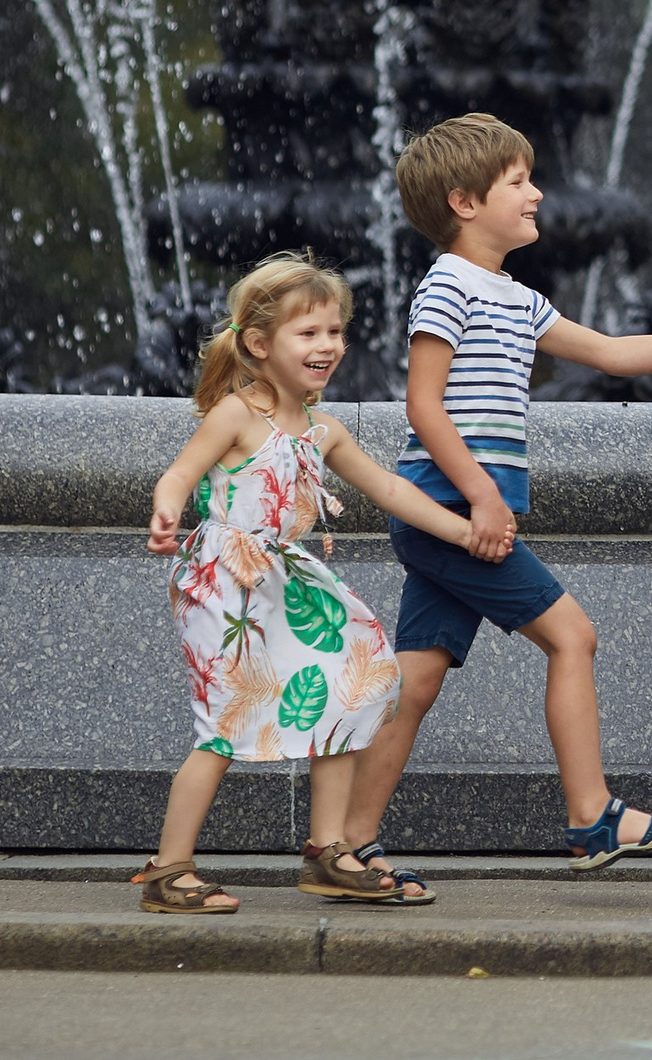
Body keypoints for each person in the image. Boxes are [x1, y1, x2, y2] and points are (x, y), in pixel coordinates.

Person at [340, 113, 652, 902]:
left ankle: (345, 846)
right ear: (465, 202)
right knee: (572, 636)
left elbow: (609, 352)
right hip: (451, 512)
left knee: (416, 681)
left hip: (458, 515)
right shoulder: (448, 284)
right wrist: (482, 496)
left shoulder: (516, 298)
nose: (537, 193)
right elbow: (423, 405)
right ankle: (592, 816)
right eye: (517, 181)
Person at [135, 252, 494, 915]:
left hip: (286, 577)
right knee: (224, 722)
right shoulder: (236, 414)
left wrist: (463, 530)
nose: (327, 345)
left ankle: (328, 851)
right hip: (227, 581)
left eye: (334, 331)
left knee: (354, 684)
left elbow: (390, 489)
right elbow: (181, 473)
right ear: (258, 343)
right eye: (308, 333)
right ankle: (168, 869)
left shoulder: (324, 430)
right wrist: (167, 509)